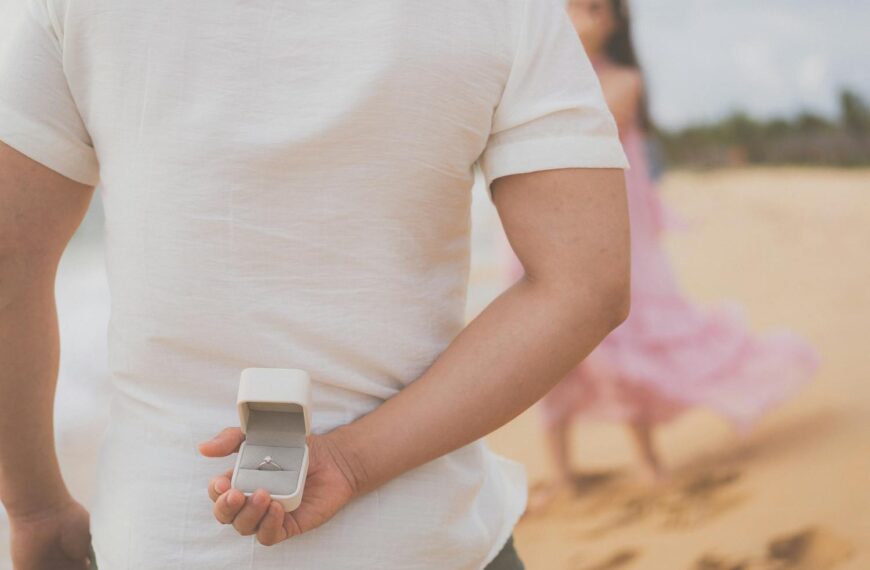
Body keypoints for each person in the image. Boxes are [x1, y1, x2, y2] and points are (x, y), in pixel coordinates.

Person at [0, 0, 631, 568]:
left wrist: (34, 508)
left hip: (167, 539)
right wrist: (353, 462)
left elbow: (9, 258)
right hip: (429, 538)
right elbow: (585, 282)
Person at [507, 0, 820, 514]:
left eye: (596, 9)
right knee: (544, 347)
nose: (584, 16)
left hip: (610, 229)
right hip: (539, 224)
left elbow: (583, 129)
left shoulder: (623, 81)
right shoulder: (536, 75)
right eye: (574, 6)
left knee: (623, 342)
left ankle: (646, 458)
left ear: (614, 22)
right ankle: (561, 474)